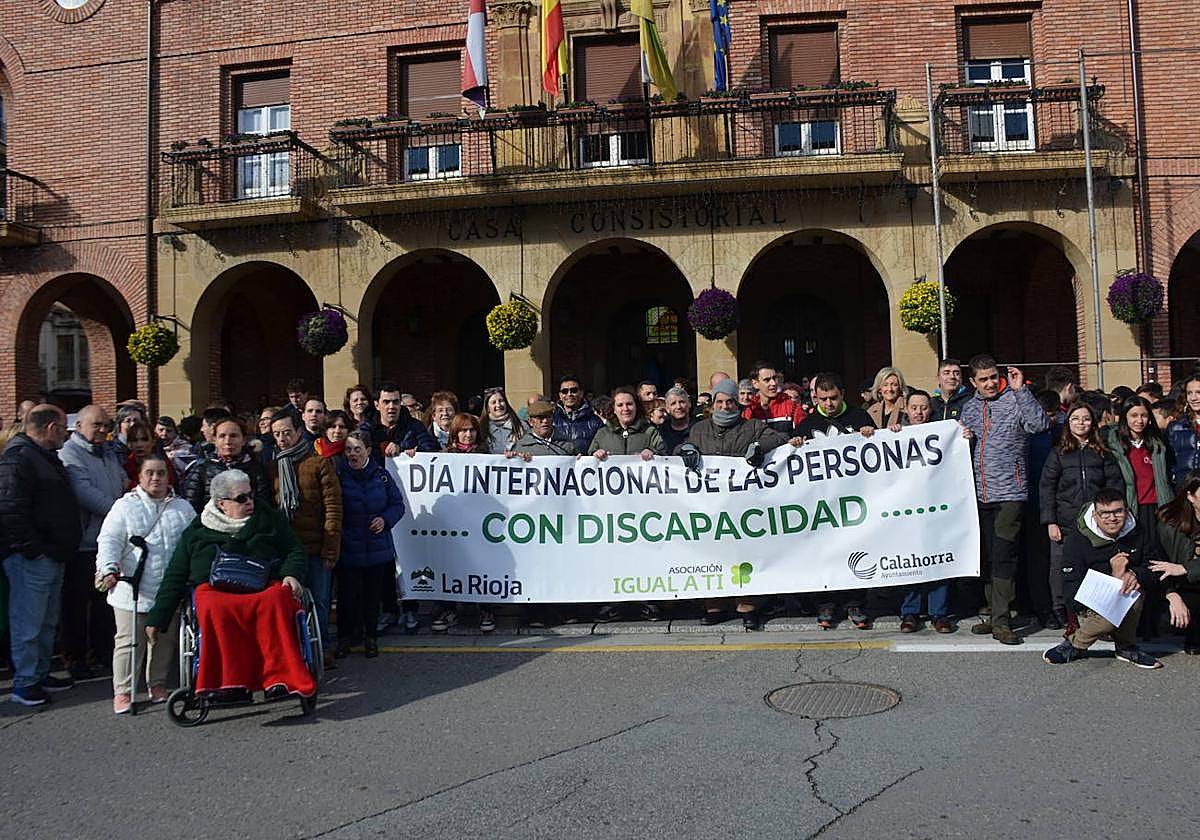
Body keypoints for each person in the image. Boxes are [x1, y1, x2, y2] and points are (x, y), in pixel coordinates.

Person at [145, 469, 315, 701]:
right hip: (216, 589)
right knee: (211, 605)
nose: (250, 502)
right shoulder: (197, 530)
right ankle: (229, 683)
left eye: (250, 495)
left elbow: (295, 550)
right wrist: (158, 617)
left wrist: (291, 574)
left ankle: (278, 678)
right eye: (241, 498)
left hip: (262, 584)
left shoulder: (269, 518)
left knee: (277, 598)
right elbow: (176, 573)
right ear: (221, 503)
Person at [680, 378, 798, 630]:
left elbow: (779, 438)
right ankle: (715, 604)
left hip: (742, 504)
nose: (724, 406)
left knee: (743, 552)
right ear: (712, 405)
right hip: (710, 504)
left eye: (729, 401)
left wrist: (759, 446)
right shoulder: (699, 429)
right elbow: (683, 447)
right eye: (719, 402)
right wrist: (686, 448)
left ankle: (747, 604)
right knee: (711, 552)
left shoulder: (752, 426)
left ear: (737, 404)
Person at [95, 453, 196, 713]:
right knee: (129, 640)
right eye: (150, 473)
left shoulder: (182, 508)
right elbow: (109, 540)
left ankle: (157, 682)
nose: (156, 478)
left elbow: (194, 543)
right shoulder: (124, 506)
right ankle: (124, 691)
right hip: (131, 587)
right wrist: (108, 567)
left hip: (168, 588)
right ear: (139, 477)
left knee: (164, 639)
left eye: (161, 473)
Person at [959, 356, 1049, 645]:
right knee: (986, 554)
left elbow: (1039, 425)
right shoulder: (970, 407)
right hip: (977, 492)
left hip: (1010, 491)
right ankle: (994, 612)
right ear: (973, 382)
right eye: (983, 379)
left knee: (1004, 554)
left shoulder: (1015, 399)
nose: (989, 383)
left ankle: (1001, 620)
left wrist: (1021, 390)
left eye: (993, 377)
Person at [0, 405, 81, 706]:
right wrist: (33, 550)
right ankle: (25, 682)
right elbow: (10, 509)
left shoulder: (44, 458)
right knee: (28, 622)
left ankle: (40, 672)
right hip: (32, 557)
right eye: (63, 428)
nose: (66, 434)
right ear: (50, 428)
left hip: (52, 553)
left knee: (47, 621)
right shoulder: (19, 458)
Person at [1041, 487, 1162, 668]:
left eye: (1117, 511)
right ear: (1095, 515)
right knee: (1109, 612)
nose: (1112, 518)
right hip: (1089, 605)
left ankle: (1126, 647)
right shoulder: (1078, 539)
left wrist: (1135, 574)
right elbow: (1070, 583)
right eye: (1105, 513)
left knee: (1133, 592)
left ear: (1126, 510)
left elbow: (1155, 567)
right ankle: (1076, 644)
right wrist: (1113, 576)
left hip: (1127, 598)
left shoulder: (1138, 532)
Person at [795, 373, 876, 629]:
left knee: (854, 549)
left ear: (842, 394)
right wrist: (794, 443)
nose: (829, 403)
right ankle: (825, 603)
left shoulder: (859, 417)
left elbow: (880, 450)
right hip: (822, 504)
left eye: (833, 398)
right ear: (816, 397)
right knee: (824, 553)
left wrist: (870, 435)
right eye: (824, 398)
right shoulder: (807, 424)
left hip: (854, 501)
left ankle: (855, 603)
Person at [1038, 401, 1124, 631]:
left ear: (1093, 423)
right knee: (1060, 567)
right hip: (1065, 521)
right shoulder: (1058, 453)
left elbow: (1115, 484)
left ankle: (1094, 610)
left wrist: (1112, 515)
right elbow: (1047, 487)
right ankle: (1060, 609)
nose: (1081, 423)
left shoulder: (1102, 452)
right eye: (1075, 419)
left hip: (1096, 522)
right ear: (1068, 422)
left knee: (1096, 567)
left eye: (1086, 418)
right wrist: (1050, 521)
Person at [59, 404, 128, 680]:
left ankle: (101, 653)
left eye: (105, 425)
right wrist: (121, 514)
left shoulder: (108, 452)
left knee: (103, 604)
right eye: (96, 425)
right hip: (84, 541)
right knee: (77, 605)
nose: (102, 430)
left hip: (107, 540)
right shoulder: (69, 454)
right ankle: (74, 657)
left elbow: (122, 480)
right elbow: (83, 492)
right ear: (79, 427)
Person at [269, 408, 342, 668]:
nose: (282, 439)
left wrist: (331, 548)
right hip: (287, 550)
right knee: (288, 602)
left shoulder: (319, 463)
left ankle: (321, 648)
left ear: (299, 432)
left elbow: (333, 507)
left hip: (316, 546)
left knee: (320, 601)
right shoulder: (273, 465)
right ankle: (294, 651)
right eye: (277, 434)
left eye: (287, 433)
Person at [890, 390, 958, 633]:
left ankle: (939, 613)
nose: (919, 412)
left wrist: (964, 437)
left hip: (935, 505)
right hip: (907, 509)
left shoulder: (943, 433)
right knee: (909, 560)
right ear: (906, 409)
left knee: (938, 557)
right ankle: (910, 613)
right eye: (914, 407)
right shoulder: (895, 435)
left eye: (924, 407)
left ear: (931, 410)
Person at [1107, 396, 1173, 637]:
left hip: (1156, 509)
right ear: (1125, 417)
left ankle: (1152, 622)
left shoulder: (1157, 443)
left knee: (1155, 563)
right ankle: (1127, 623)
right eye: (1134, 415)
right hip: (1130, 511)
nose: (1139, 420)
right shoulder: (1115, 443)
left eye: (1144, 415)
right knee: (1132, 563)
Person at [335, 432, 404, 658]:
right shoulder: (339, 476)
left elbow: (397, 504)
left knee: (372, 598)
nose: (352, 454)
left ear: (367, 450)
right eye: (348, 450)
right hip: (348, 548)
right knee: (347, 598)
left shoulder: (382, 476)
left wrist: (385, 519)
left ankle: (370, 638)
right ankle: (344, 638)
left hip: (377, 549)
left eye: (357, 449)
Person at [435, 413, 493, 633]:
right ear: (455, 433)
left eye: (471, 430)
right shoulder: (443, 457)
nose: (468, 434)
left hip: (480, 524)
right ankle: (448, 610)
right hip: (454, 525)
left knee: (482, 565)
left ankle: (485, 609)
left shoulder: (487, 456)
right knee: (451, 565)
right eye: (463, 430)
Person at [1149, 473, 1200, 654]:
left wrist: (1186, 568)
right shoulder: (1170, 524)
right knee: (1166, 620)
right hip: (1183, 588)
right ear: (1190, 496)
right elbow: (1155, 564)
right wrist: (1171, 595)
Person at [180, 416, 272, 514]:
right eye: (222, 436)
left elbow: (264, 506)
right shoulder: (202, 469)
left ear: (244, 439)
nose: (228, 441)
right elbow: (191, 508)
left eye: (233, 436)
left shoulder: (256, 469)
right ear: (214, 439)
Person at [370, 382, 439, 464]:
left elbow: (430, 448)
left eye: (396, 402)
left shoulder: (415, 426)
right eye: (386, 402)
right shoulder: (368, 427)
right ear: (377, 405)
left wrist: (401, 448)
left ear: (400, 403)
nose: (391, 406)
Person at [743, 360, 807, 435]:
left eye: (774, 378)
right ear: (755, 384)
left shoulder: (791, 406)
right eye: (767, 380)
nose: (773, 383)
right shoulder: (749, 410)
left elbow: (804, 435)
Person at [552, 373, 604, 452]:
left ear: (581, 393)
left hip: (586, 464)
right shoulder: (551, 420)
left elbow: (602, 447)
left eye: (574, 390)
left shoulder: (595, 422)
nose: (569, 394)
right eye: (565, 391)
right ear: (560, 395)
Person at [120, 420, 177, 491]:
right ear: (129, 444)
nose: (139, 445)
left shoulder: (163, 464)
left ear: (153, 442)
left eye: (144, 439)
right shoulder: (124, 468)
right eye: (134, 440)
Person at [1166, 375, 1200, 486]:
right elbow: (1169, 461)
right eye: (1189, 393)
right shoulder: (1175, 427)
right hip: (1184, 489)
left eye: (1198, 392)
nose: (1193, 398)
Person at [513, 401, 578, 456]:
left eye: (548, 417)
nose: (545, 421)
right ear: (530, 421)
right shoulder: (521, 447)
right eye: (540, 418)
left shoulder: (567, 444)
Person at [481, 386, 525, 454]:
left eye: (501, 401)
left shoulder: (522, 425)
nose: (498, 405)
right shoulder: (481, 427)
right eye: (493, 402)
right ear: (488, 408)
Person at [658, 387, 695, 453]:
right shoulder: (660, 431)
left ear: (689, 404)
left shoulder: (700, 428)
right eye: (673, 403)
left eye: (682, 402)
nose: (678, 407)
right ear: (667, 408)